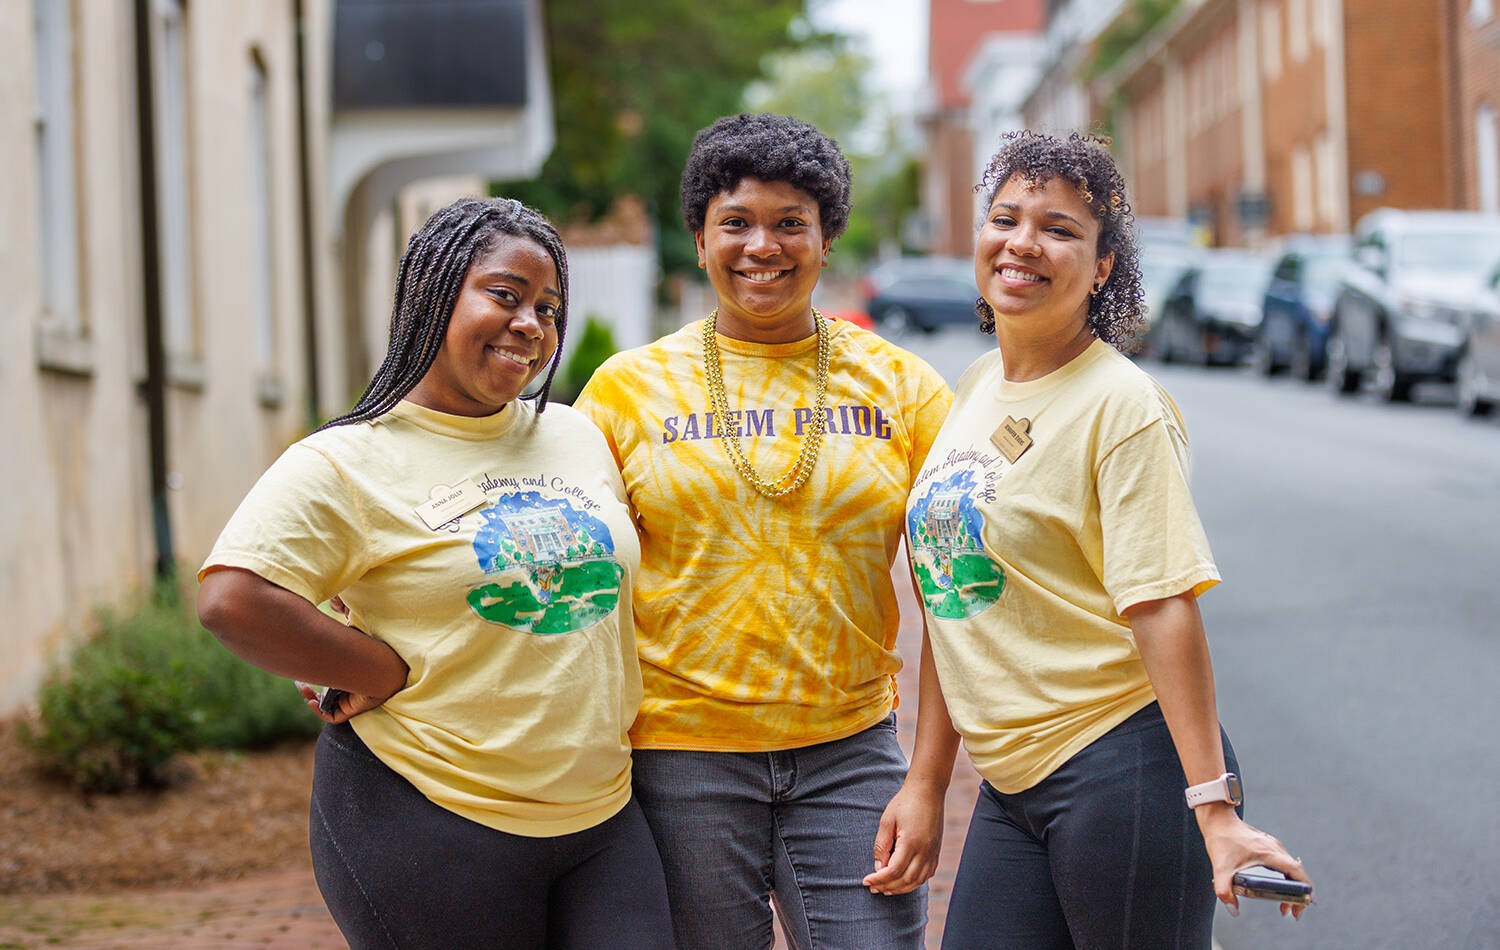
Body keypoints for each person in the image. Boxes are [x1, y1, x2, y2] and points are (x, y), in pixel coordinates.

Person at [195, 197, 673, 950]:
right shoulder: (351, 459)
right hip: (429, 813)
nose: (532, 325)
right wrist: (374, 668)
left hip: (600, 817)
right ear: (435, 293)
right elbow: (233, 597)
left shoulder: (574, 434)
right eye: (505, 295)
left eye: (549, 308)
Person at [904, 130, 1314, 949]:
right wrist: (925, 783)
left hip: (1119, 768)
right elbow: (954, 593)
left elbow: (1162, 604)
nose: (1023, 242)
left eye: (1058, 228)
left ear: (1100, 267)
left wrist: (1215, 808)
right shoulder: (980, 385)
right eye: (1006, 218)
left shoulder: (1122, 406)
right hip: (1013, 785)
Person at [573, 113, 959, 950]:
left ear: (826, 238)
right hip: (679, 758)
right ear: (700, 237)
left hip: (852, 755)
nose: (764, 246)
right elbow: (555, 549)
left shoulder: (907, 389)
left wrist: (927, 782)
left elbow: (958, 598)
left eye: (792, 223)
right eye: (737, 222)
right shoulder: (626, 393)